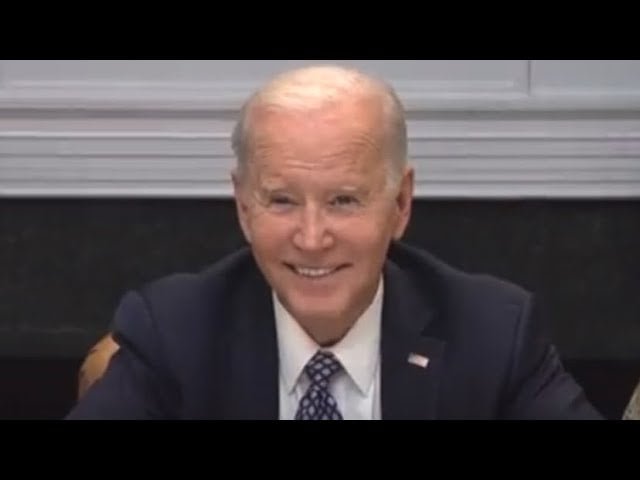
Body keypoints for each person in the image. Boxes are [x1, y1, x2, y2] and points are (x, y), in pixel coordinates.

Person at [66, 64, 603, 420]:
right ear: (244, 207)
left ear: (400, 203)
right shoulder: (175, 332)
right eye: (282, 201)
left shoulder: (492, 335)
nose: (312, 237)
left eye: (344, 201)